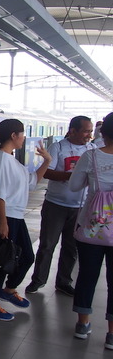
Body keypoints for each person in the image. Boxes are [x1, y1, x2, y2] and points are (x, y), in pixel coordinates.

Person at [0, 119, 52, 321]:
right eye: (22, 134)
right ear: (14, 135)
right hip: (5, 215)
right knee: (4, 261)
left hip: (15, 215)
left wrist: (47, 161)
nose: (24, 139)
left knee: (27, 256)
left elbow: (31, 182)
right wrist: (2, 223)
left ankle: (9, 289)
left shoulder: (10, 160)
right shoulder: (0, 160)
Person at [25, 116, 94, 296]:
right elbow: (46, 172)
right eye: (86, 131)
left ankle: (64, 282)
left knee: (71, 247)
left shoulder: (92, 149)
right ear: (73, 131)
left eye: (91, 131)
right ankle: (38, 280)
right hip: (56, 204)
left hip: (80, 206)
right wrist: (70, 176)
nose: (89, 135)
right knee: (47, 244)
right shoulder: (58, 147)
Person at [69, 113, 113, 346]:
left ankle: (83, 324)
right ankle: (111, 334)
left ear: (102, 133)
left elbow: (75, 186)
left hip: (92, 226)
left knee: (87, 275)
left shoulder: (91, 156)